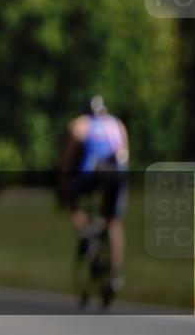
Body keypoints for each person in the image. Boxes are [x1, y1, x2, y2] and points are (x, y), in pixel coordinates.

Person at [59, 94, 129, 298]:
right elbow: (125, 157)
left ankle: (85, 231)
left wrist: (63, 185)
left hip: (93, 173)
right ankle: (115, 273)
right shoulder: (118, 124)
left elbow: (67, 159)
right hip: (118, 174)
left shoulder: (81, 124)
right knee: (114, 221)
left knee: (69, 199)